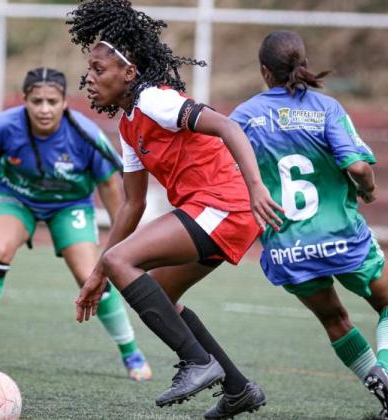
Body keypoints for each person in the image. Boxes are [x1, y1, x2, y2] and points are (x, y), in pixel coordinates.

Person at [67, 1, 282, 418]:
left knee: (122, 260)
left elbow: (227, 125)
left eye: (98, 69)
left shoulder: (155, 101)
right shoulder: (130, 123)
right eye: (89, 70)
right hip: (214, 213)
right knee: (159, 292)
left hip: (225, 206)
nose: (89, 79)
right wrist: (99, 274)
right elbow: (132, 204)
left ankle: (198, 362)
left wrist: (255, 186)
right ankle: (237, 389)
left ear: (129, 73)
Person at [230, 30, 388, 420]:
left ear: (265, 72)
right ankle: (386, 368)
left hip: (287, 246)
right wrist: (369, 189)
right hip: (343, 240)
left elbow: (224, 166)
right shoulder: (326, 108)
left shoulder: (244, 115)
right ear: (304, 64)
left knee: (334, 319)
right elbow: (357, 167)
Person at [0, 67, 152, 382]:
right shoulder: (1, 127)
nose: (44, 109)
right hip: (15, 198)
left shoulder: (86, 135)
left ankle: (132, 354)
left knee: (89, 274)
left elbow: (111, 186)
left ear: (64, 102)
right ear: (24, 101)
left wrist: (121, 242)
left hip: (70, 205)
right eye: (36, 101)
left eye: (52, 101)